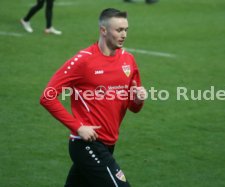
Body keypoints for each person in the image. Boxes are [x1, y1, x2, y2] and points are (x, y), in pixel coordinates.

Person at [40, 8, 147, 187]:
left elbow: (133, 108)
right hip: (86, 143)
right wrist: (78, 127)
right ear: (103, 30)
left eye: (126, 30)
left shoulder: (128, 60)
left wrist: (138, 100)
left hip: (109, 143)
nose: (124, 35)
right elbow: (47, 97)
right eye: (119, 30)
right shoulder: (83, 61)